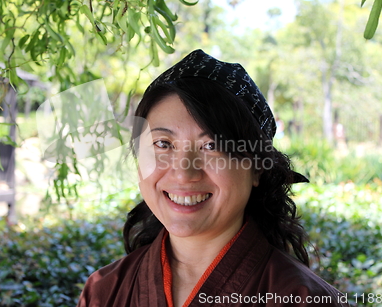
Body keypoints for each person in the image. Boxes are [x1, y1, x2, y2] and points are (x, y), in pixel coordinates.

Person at [77, 50, 349, 307]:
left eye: (212, 146)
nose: (183, 172)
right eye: (162, 143)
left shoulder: (304, 298)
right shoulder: (105, 291)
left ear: (256, 168)